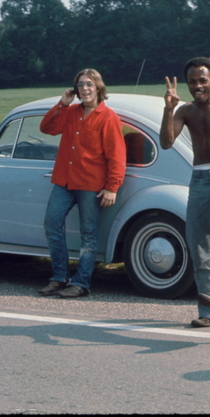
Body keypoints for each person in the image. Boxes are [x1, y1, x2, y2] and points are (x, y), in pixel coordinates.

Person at [161, 57, 210, 328]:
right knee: (198, 241)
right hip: (199, 177)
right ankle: (208, 310)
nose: (198, 85)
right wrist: (168, 109)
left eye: (202, 80)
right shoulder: (185, 112)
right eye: (192, 81)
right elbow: (166, 142)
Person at [38, 69, 126, 298]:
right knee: (52, 223)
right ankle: (59, 277)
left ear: (98, 87)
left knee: (89, 234)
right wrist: (62, 104)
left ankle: (81, 283)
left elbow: (116, 156)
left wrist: (112, 186)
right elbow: (46, 128)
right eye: (80, 85)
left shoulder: (108, 117)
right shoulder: (71, 112)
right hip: (64, 180)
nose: (84, 89)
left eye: (89, 84)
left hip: (91, 183)